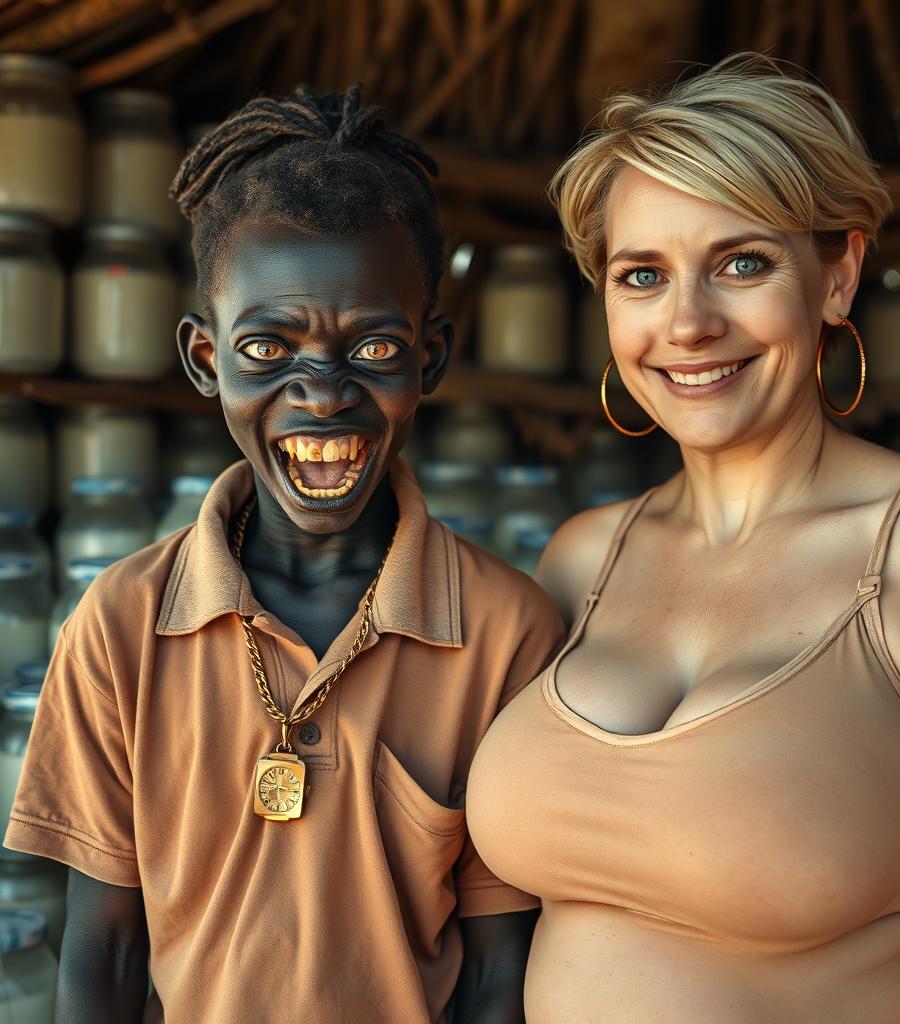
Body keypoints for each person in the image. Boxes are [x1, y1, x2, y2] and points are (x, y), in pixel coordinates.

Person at [466, 54, 900, 1023]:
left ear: (838, 276)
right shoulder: (581, 558)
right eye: (643, 276)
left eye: (742, 263)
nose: (687, 323)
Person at [5, 86, 563, 1024]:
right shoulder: (118, 625)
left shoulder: (506, 631)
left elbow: (499, 970)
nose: (323, 393)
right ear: (205, 359)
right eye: (268, 347)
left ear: (430, 357)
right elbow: (102, 953)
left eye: (373, 348)